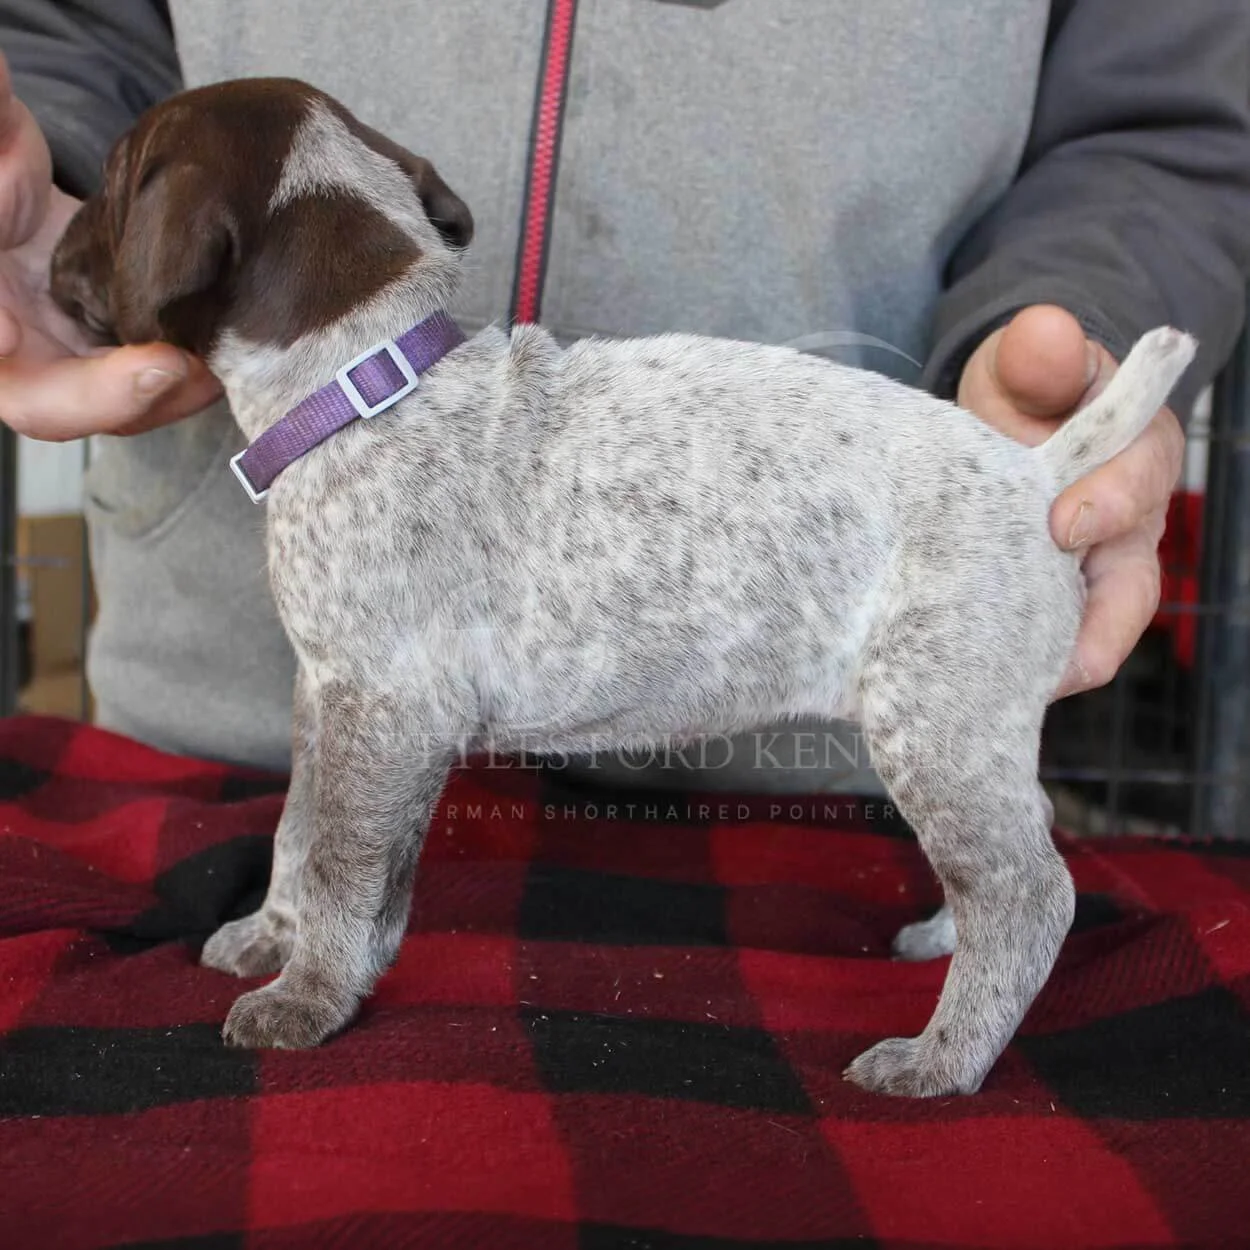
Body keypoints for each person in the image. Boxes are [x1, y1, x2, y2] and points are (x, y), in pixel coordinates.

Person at [0, 1, 1247, 782]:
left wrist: (1065, 327)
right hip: (231, 737)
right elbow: (64, 20)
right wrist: (53, 188)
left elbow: (1160, 129)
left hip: (811, 747)